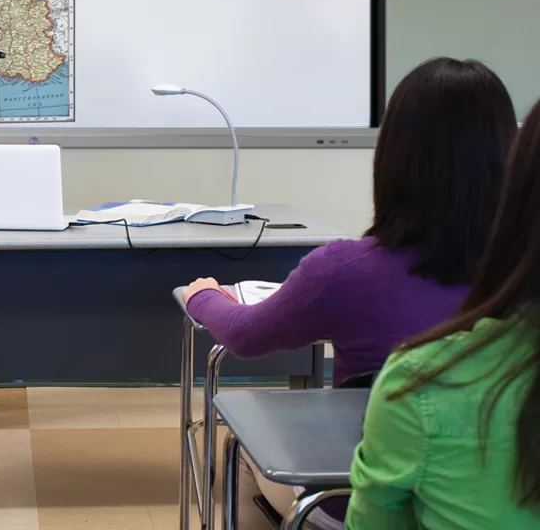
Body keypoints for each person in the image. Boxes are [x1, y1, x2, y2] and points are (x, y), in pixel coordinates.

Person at [181, 57, 518, 529]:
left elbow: (245, 337)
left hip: (354, 499)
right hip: (505, 501)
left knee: (239, 452)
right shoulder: (521, 279)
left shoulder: (345, 271)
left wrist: (204, 296)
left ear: (393, 157)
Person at [347, 96, 540, 529]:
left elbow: (247, 336)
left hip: (363, 471)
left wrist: (202, 297)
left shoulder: (422, 381)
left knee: (244, 465)